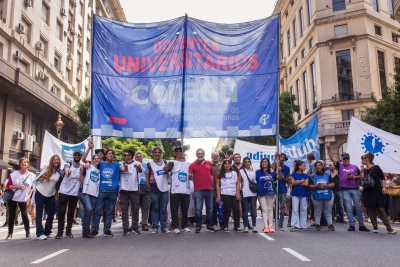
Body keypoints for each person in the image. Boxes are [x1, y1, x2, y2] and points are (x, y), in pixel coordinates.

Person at [326, 141, 370, 232]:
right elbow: (332, 157)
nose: (346, 160)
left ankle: (361, 225)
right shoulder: (340, 165)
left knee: (358, 207)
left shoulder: (354, 166)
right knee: (349, 208)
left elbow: (361, 177)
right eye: (344, 158)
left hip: (354, 189)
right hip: (344, 189)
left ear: (349, 159)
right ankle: (352, 224)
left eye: (347, 158)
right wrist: (328, 148)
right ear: (342, 159)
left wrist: (353, 177)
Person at [360, 152, 397, 234]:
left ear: (367, 160)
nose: (361, 161)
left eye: (362, 159)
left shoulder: (376, 168)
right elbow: (362, 178)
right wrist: (362, 170)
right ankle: (375, 227)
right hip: (367, 191)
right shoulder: (364, 170)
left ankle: (388, 228)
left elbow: (382, 178)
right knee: (370, 208)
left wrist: (383, 187)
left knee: (380, 208)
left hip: (376, 190)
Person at [92, 149, 124, 237]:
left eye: (113, 153)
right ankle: (95, 229)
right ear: (106, 155)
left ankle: (107, 229)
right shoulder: (101, 164)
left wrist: (126, 165)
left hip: (113, 191)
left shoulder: (117, 164)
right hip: (101, 190)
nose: (111, 155)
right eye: (109, 153)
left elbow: (123, 169)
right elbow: (92, 165)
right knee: (98, 211)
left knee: (110, 212)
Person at [5, 158, 35, 240]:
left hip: (24, 199)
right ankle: (10, 233)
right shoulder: (14, 174)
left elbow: (32, 187)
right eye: (21, 163)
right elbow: (8, 186)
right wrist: (18, 186)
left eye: (25, 162)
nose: (23, 164)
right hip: (13, 198)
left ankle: (27, 233)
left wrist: (29, 196)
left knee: (24, 215)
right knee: (12, 216)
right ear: (20, 165)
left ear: (28, 165)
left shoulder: (32, 176)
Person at [56, 150, 83, 239]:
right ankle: (60, 232)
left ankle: (68, 231)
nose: (77, 156)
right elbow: (66, 171)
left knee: (71, 213)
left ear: (80, 156)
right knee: (61, 212)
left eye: (79, 155)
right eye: (75, 154)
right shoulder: (68, 164)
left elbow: (81, 180)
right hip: (64, 192)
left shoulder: (81, 167)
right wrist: (68, 172)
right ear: (73, 156)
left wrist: (82, 172)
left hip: (74, 194)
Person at [35, 155, 63, 240]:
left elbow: (57, 185)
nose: (56, 161)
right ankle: (40, 233)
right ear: (51, 161)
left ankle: (47, 231)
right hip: (40, 192)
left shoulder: (60, 172)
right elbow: (37, 179)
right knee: (39, 213)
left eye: (57, 160)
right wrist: (43, 177)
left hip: (51, 194)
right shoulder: (46, 169)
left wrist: (57, 195)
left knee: (51, 213)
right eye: (54, 160)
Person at [189, 148, 215, 233]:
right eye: (198, 153)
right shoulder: (192, 165)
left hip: (209, 189)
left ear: (204, 154)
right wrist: (190, 176)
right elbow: (190, 177)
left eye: (201, 153)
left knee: (210, 209)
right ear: (196, 155)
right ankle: (198, 226)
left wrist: (212, 186)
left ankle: (209, 225)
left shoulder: (209, 163)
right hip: (198, 190)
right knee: (198, 209)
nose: (200, 155)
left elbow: (211, 175)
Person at [146, 146, 170, 234]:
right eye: (155, 152)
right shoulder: (149, 164)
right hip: (153, 187)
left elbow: (169, 174)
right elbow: (147, 175)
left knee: (163, 208)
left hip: (164, 187)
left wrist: (167, 170)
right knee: (155, 208)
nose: (157, 154)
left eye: (158, 152)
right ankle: (155, 227)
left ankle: (164, 227)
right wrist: (149, 186)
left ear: (161, 153)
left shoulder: (165, 163)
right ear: (153, 154)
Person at [119, 149, 142, 236]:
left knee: (135, 208)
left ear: (130, 156)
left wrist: (138, 167)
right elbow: (122, 169)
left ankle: (135, 227)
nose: (124, 157)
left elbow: (140, 171)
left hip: (134, 190)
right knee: (124, 210)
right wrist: (125, 167)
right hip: (124, 190)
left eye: (126, 155)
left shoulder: (137, 163)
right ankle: (125, 227)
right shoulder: (121, 163)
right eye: (123, 155)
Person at [78, 153, 101, 238]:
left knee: (90, 212)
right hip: (85, 192)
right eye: (95, 158)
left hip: (94, 193)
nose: (97, 159)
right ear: (92, 160)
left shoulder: (99, 171)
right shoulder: (88, 167)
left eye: (98, 158)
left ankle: (86, 230)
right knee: (89, 209)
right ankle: (86, 230)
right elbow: (83, 160)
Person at [308, 161, 335, 231]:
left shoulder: (328, 175)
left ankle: (330, 224)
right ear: (315, 167)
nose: (318, 167)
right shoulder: (312, 176)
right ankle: (317, 224)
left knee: (328, 210)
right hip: (317, 195)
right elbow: (310, 186)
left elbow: (333, 184)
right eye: (316, 166)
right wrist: (316, 185)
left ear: (322, 166)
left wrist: (327, 185)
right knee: (317, 210)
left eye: (320, 165)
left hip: (327, 194)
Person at [169, 146, 191, 234]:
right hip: (175, 189)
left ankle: (185, 225)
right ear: (175, 153)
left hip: (185, 189)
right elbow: (167, 172)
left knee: (185, 209)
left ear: (182, 153)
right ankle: (175, 226)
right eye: (176, 151)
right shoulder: (171, 163)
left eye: (180, 151)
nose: (178, 152)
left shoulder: (187, 164)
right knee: (174, 209)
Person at [216, 159, 241, 232]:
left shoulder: (234, 173)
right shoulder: (219, 174)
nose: (227, 165)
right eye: (225, 164)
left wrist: (237, 193)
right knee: (227, 210)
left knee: (236, 210)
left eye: (228, 164)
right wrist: (218, 196)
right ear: (223, 165)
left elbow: (237, 184)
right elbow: (218, 185)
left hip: (234, 194)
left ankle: (237, 226)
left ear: (231, 165)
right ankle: (225, 226)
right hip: (224, 194)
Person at [256, 158, 276, 233]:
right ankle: (266, 226)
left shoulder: (272, 172)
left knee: (270, 209)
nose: (264, 163)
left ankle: (270, 226)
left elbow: (278, 178)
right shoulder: (258, 172)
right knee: (264, 209)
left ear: (268, 163)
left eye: (266, 162)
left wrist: (276, 171)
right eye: (263, 162)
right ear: (261, 163)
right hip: (261, 193)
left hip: (271, 192)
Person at [239, 157, 257, 233]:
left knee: (253, 210)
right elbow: (238, 182)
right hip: (245, 192)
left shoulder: (255, 171)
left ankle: (254, 226)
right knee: (245, 210)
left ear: (250, 163)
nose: (247, 163)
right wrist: (238, 192)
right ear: (243, 163)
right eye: (245, 162)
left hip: (253, 193)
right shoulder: (241, 171)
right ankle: (245, 226)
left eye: (248, 162)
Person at [290, 160, 309, 232]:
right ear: (299, 166)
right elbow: (293, 183)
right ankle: (295, 225)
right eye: (303, 165)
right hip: (295, 193)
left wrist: (297, 182)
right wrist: (301, 181)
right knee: (295, 209)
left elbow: (306, 184)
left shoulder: (306, 175)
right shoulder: (293, 174)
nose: (305, 167)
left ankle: (303, 225)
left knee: (303, 209)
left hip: (304, 193)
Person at [135, 151, 150, 231]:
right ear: (135, 158)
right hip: (136, 187)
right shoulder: (133, 165)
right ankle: (135, 224)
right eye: (137, 157)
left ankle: (144, 223)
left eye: (140, 157)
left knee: (145, 207)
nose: (139, 158)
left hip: (145, 187)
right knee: (136, 207)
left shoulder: (146, 165)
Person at [275, 153, 290, 231]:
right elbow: (271, 171)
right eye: (281, 157)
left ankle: (280, 224)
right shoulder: (274, 166)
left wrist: (281, 176)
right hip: (274, 190)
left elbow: (287, 179)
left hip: (282, 190)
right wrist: (275, 158)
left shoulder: (287, 168)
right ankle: (273, 223)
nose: (282, 158)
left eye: (283, 157)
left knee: (282, 207)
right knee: (273, 207)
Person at [211, 151, 222, 230]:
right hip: (211, 189)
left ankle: (222, 224)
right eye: (213, 156)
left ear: (219, 156)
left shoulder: (223, 165)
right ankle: (214, 223)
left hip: (222, 189)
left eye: (216, 155)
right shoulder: (209, 165)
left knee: (221, 207)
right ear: (211, 157)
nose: (215, 157)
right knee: (213, 207)